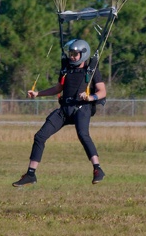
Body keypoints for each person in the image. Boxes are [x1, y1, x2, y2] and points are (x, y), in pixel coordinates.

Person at [13, 39, 106, 186]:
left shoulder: (91, 70)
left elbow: (102, 92)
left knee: (83, 134)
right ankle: (31, 174)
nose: (72, 57)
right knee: (40, 136)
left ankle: (97, 169)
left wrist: (90, 97)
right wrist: (38, 94)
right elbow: (58, 89)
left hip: (82, 108)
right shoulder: (66, 69)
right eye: (71, 54)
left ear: (83, 54)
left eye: (75, 54)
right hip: (65, 109)